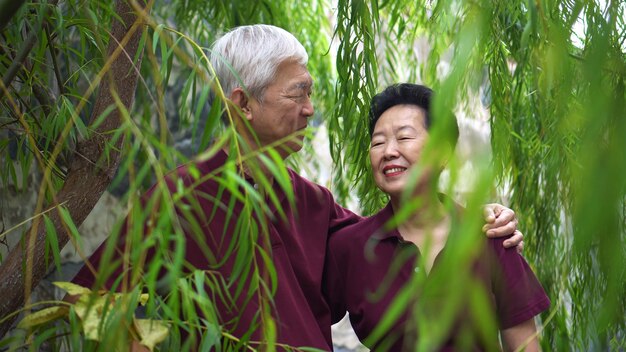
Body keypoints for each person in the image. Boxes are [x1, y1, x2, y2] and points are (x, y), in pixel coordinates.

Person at [69, 26, 523, 350]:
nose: (309, 109)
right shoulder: (182, 197)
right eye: (298, 93)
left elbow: (394, 236)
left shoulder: (314, 203)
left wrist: (477, 216)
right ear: (243, 104)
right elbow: (89, 298)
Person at [323, 83, 550, 351]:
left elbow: (524, 345)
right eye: (378, 142)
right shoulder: (351, 248)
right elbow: (300, 320)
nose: (388, 151)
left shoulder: (491, 236)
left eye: (404, 137)